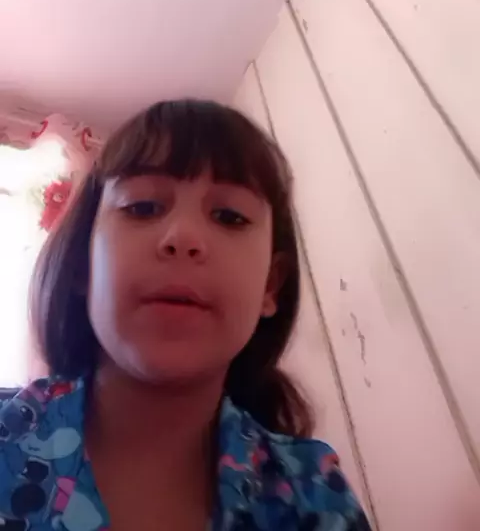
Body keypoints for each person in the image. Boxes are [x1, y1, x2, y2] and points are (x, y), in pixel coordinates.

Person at [0, 99, 371, 531]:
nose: (183, 236)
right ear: (84, 263)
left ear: (270, 285)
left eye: (229, 216)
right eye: (142, 207)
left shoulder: (317, 500)